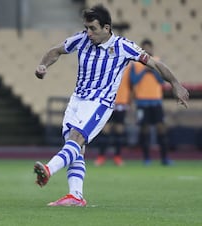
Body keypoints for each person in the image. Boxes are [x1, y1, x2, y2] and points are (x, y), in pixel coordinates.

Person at [33, 4, 189, 207]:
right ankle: (75, 196)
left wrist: (175, 84)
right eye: (87, 28)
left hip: (100, 103)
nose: (88, 33)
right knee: (75, 147)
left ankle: (48, 170)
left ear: (107, 28)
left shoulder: (123, 46)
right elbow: (56, 51)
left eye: (93, 29)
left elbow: (155, 64)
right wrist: (44, 65)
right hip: (77, 100)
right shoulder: (81, 39)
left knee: (77, 138)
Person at [128, 39, 172, 166]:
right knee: (145, 130)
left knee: (161, 129)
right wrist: (144, 71)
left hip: (156, 101)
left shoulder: (158, 62)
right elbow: (134, 81)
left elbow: (161, 81)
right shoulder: (135, 64)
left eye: (149, 48)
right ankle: (146, 158)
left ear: (152, 49)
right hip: (142, 102)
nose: (147, 50)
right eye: (145, 48)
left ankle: (165, 158)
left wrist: (152, 70)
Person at [94, 70, 131, 166]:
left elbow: (132, 84)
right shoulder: (107, 65)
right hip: (107, 101)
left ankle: (117, 157)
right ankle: (101, 156)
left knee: (119, 130)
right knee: (105, 129)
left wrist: (129, 101)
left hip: (121, 102)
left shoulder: (129, 68)